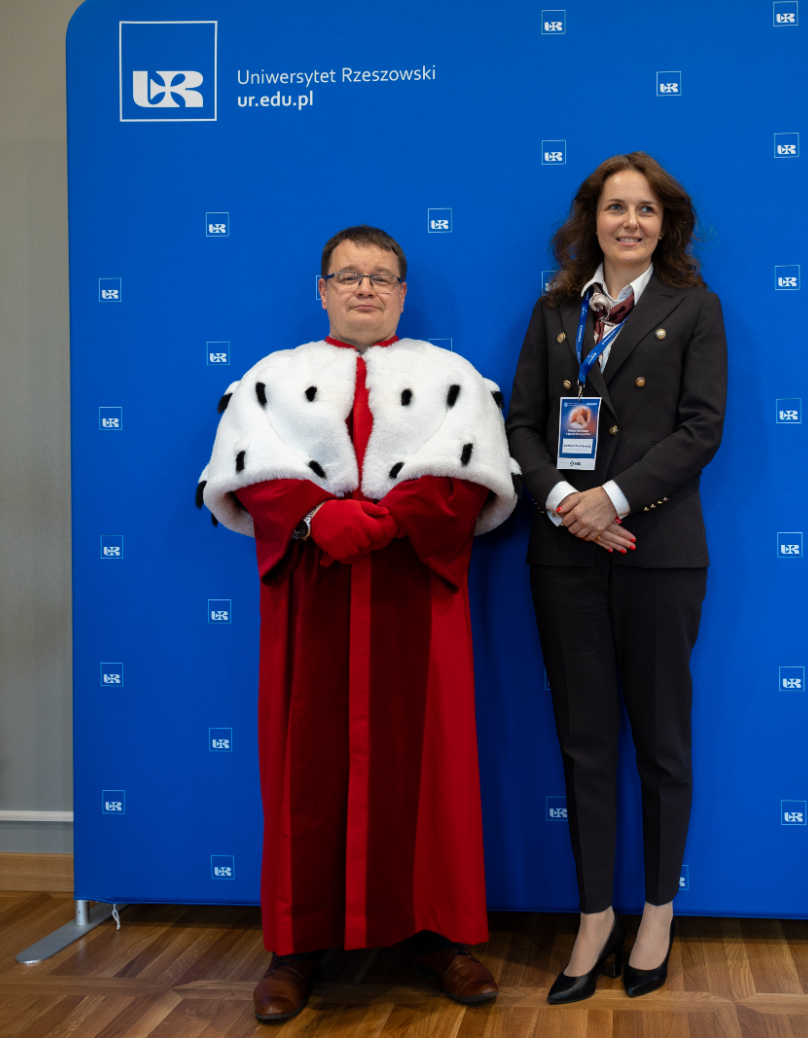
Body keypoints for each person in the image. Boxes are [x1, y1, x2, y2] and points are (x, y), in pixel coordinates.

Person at [197, 225, 519, 1023]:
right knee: (302, 763)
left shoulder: (452, 378)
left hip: (416, 592)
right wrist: (315, 514)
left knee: (432, 764)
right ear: (322, 291)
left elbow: (469, 475)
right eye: (348, 276)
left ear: (403, 293)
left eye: (380, 276)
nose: (365, 288)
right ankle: (295, 947)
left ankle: (439, 933)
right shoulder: (271, 378)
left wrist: (390, 518)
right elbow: (249, 472)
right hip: (312, 594)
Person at [505, 153, 727, 1003]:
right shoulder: (555, 309)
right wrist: (567, 502)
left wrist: (615, 498)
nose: (628, 222)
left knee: (661, 743)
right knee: (583, 741)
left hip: (657, 551)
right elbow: (520, 425)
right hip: (564, 553)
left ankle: (657, 912)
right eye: (613, 207)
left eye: (644, 209)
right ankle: (593, 916)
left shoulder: (694, 308)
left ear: (666, 224)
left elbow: (701, 429)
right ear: (589, 220)